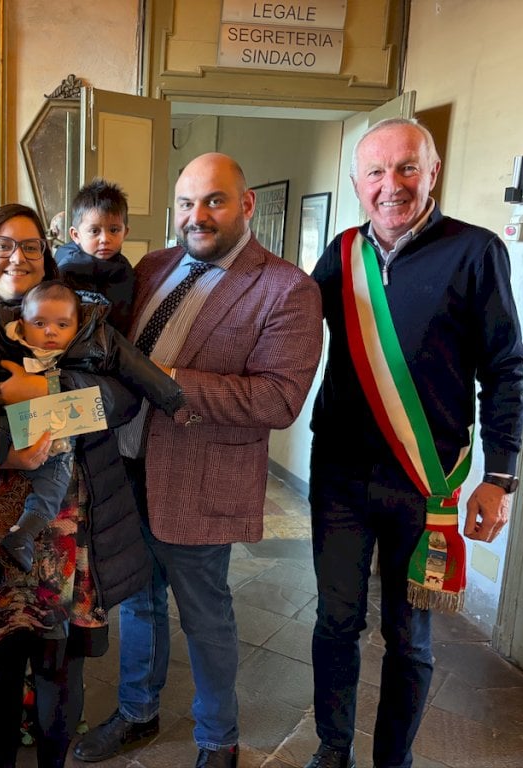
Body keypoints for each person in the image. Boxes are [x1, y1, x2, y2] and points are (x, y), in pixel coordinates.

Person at [73, 153, 323, 768]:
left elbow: (279, 399)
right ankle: (137, 712)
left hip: (200, 480)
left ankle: (219, 739)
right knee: (139, 602)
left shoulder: (287, 288)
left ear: (247, 204)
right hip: (125, 469)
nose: (197, 215)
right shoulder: (152, 266)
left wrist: (163, 377)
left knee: (205, 615)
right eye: (186, 203)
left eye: (214, 200)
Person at [303, 118, 523, 768]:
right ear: (357, 183)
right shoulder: (341, 253)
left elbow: (504, 369)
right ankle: (333, 749)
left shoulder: (476, 250)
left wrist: (500, 476)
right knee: (335, 622)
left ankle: (392, 761)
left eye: (406, 168)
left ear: (432, 172)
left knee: (409, 640)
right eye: (375, 172)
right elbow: (286, 328)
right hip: (340, 479)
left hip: (423, 486)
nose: (391, 185)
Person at [0, 203, 152, 768]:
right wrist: (7, 451)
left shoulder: (78, 314)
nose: (17, 257)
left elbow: (121, 400)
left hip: (65, 516)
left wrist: (45, 392)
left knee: (59, 666)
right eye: (3, 244)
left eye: (30, 245)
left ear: (46, 254)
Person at [0, 280, 185, 572]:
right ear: (21, 324)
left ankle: (24, 533)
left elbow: (135, 366)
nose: (51, 331)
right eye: (40, 323)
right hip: (5, 420)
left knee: (55, 477)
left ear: (78, 323)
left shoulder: (96, 337)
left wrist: (171, 396)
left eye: (62, 324)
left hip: (58, 430)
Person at [54, 179, 135, 335]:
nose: (105, 239)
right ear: (76, 235)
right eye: (94, 231)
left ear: (125, 233)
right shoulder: (67, 268)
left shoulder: (124, 270)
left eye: (114, 230)